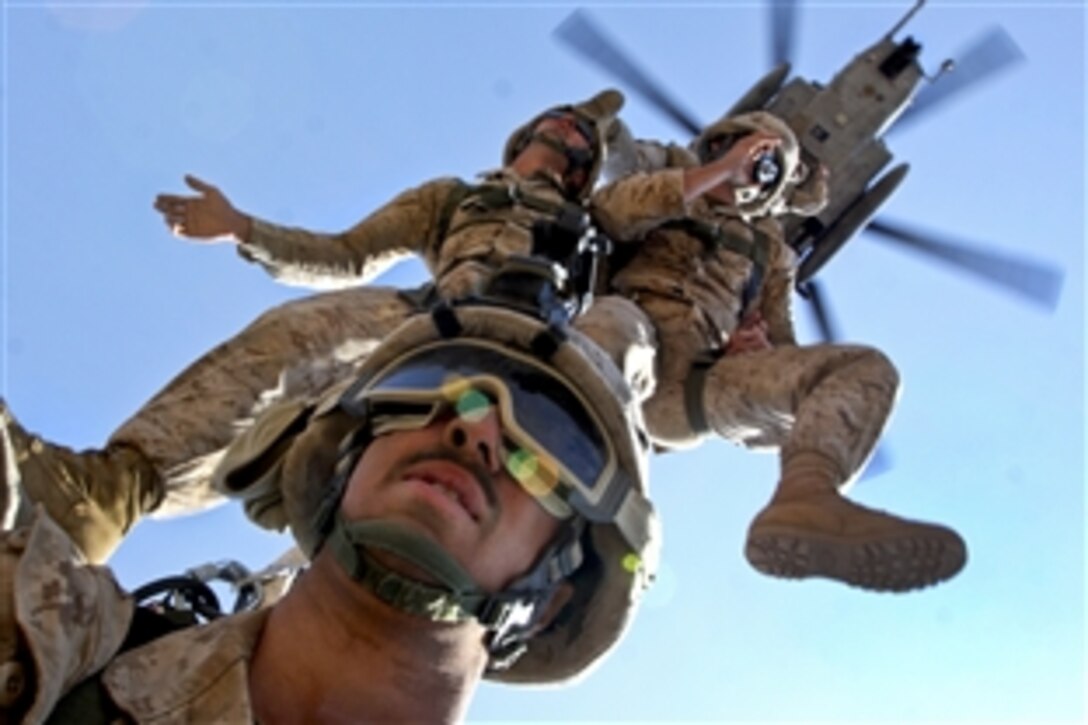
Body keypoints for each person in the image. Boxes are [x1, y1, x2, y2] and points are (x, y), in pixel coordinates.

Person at [0, 89, 628, 564]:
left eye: (580, 131)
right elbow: (350, 254)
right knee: (295, 336)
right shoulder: (453, 198)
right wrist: (244, 229)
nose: (567, 122)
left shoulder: (601, 224)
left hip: (533, 355)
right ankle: (101, 497)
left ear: (582, 169)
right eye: (559, 116)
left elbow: (670, 206)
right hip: (429, 318)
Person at [0, 302, 660, 722]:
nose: (473, 427)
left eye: (548, 439)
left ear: (551, 601)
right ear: (342, 462)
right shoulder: (49, 628)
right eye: (428, 385)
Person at [589, 111, 966, 592]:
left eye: (765, 165)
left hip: (692, 388)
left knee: (863, 369)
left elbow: (782, 340)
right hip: (620, 341)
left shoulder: (770, 252)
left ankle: (809, 497)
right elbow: (610, 212)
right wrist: (714, 174)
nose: (748, 165)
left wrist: (761, 347)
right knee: (618, 327)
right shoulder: (670, 185)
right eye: (739, 149)